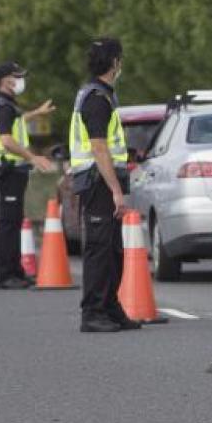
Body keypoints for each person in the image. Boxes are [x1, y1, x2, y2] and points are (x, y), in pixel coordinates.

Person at [68, 38, 142, 333]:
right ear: (114, 63)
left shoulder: (100, 95)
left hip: (101, 180)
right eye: (119, 59)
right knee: (100, 248)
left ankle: (110, 307)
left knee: (113, 249)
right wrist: (115, 190)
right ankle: (93, 312)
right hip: (98, 181)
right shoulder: (97, 99)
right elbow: (99, 148)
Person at [0, 61, 55, 289]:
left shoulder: (4, 104)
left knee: (13, 221)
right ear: (6, 80)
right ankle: (4, 275)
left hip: (12, 170)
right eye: (18, 76)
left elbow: (17, 123)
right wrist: (32, 157)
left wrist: (36, 113)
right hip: (8, 170)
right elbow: (6, 140)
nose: (21, 81)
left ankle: (15, 271)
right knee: (8, 224)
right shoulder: (3, 107)